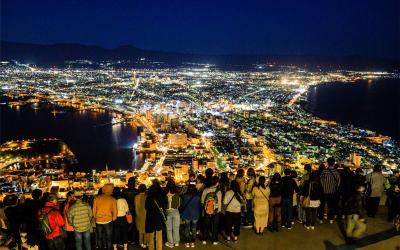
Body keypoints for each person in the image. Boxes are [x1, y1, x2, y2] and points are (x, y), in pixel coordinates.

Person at [93, 183, 118, 250]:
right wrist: (113, 218)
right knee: (109, 238)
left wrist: (96, 217)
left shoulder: (96, 198)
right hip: (108, 221)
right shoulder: (112, 199)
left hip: (98, 221)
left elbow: (94, 211)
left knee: (99, 237)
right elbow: (115, 211)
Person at [145, 180, 167, 250]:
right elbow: (164, 206)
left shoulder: (149, 197)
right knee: (159, 235)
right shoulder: (162, 195)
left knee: (151, 235)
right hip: (159, 217)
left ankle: (151, 248)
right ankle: (159, 248)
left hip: (150, 217)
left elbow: (146, 207)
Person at [200, 175, 221, 245]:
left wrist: (205, 208)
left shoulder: (205, 190)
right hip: (216, 211)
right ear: (217, 183)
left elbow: (202, 201)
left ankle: (204, 239)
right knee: (215, 225)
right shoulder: (218, 191)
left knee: (206, 224)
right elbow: (219, 202)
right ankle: (214, 239)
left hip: (207, 210)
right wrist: (218, 210)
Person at [319, 158, 341, 223]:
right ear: (334, 163)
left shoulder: (324, 171)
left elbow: (321, 180)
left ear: (327, 163)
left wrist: (324, 186)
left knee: (322, 205)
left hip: (324, 191)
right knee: (331, 206)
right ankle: (331, 219)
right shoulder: (336, 172)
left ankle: (321, 218)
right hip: (332, 192)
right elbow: (339, 182)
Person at [164, 180, 181, 248]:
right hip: (176, 212)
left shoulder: (164, 194)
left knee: (169, 229)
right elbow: (179, 204)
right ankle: (176, 242)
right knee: (176, 228)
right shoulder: (177, 194)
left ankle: (171, 243)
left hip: (167, 212)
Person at [134, 184, 148, 249]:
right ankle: (145, 243)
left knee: (140, 230)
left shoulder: (136, 197)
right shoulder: (146, 196)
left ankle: (141, 243)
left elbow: (135, 206)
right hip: (145, 214)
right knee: (145, 230)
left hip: (138, 215)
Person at [125, 177, 137, 244]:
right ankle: (133, 239)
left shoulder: (125, 191)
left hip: (127, 211)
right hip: (134, 210)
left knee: (127, 225)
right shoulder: (136, 191)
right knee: (133, 225)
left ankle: (128, 238)